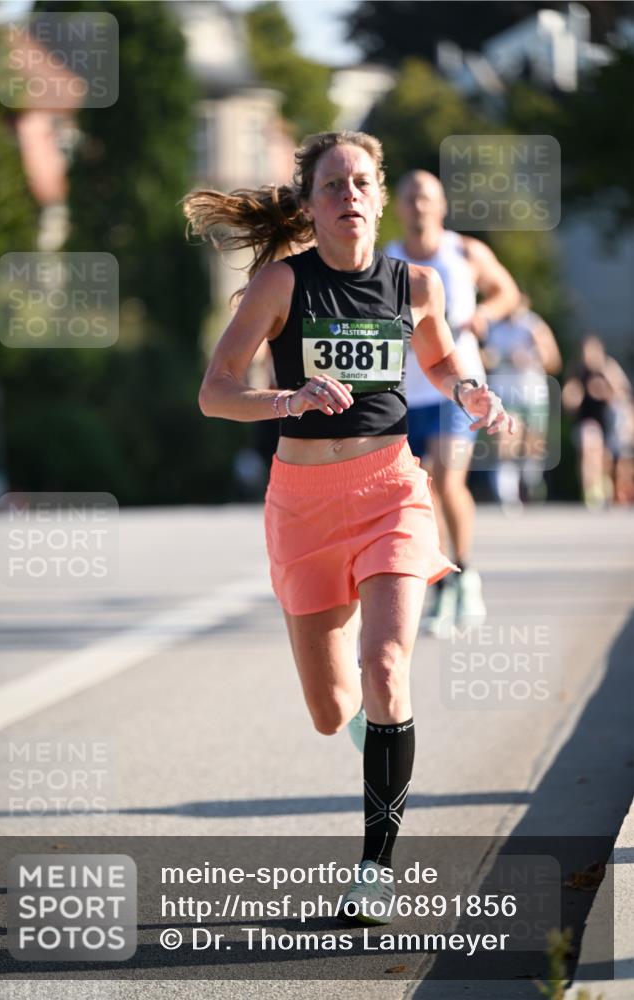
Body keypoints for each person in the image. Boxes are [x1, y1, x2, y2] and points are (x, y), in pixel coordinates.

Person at [183, 131, 513, 925]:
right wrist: (287, 401)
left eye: (361, 182)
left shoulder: (417, 285)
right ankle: (375, 727)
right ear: (309, 203)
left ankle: (374, 869)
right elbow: (216, 392)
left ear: (379, 193)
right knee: (333, 710)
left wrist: (467, 389)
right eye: (332, 185)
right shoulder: (280, 285)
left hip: (391, 488)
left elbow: (436, 364)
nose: (350, 196)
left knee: (388, 659)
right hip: (302, 502)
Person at [386, 171, 519, 634]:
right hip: (406, 394)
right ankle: (444, 583)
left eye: (426, 198)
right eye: (410, 199)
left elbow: (508, 292)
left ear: (441, 206)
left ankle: (466, 572)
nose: (419, 206)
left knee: (447, 480)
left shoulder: (465, 252)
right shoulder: (388, 260)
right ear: (398, 208)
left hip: (460, 390)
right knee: (421, 492)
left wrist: (484, 314)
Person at [483, 294, 562, 507]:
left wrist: (531, 356)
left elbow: (553, 360)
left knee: (532, 445)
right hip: (506, 395)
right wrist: (493, 358)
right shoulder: (495, 328)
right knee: (506, 442)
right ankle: (507, 493)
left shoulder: (534, 326)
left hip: (532, 393)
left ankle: (531, 486)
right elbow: (485, 358)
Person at [562, 334, 634, 508]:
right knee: (590, 445)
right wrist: (575, 394)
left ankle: (605, 488)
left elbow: (623, 395)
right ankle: (591, 491)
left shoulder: (608, 368)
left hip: (609, 422)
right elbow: (569, 400)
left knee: (607, 458)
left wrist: (606, 383)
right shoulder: (578, 371)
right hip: (587, 421)